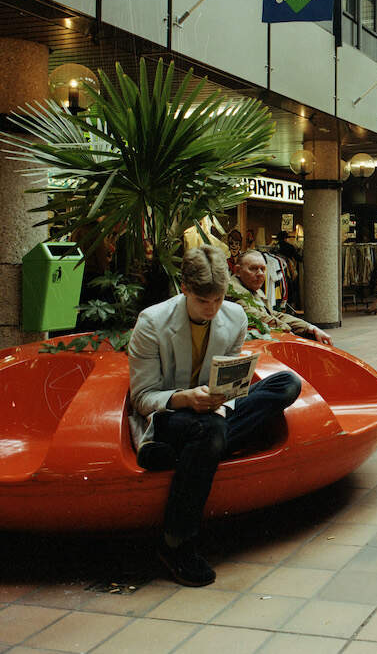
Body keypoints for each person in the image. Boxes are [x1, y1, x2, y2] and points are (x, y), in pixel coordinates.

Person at [128, 246, 301, 587]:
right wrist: (186, 398)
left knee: (286, 385)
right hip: (170, 414)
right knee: (208, 432)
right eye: (203, 301)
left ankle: (186, 451)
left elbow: (229, 378)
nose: (211, 311)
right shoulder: (152, 323)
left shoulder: (234, 316)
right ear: (185, 289)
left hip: (215, 413)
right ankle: (176, 542)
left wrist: (222, 400)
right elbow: (143, 399)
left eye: (218, 300)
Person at [228, 251, 332, 344]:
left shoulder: (251, 287)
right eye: (253, 269)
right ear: (237, 270)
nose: (260, 274)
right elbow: (258, 317)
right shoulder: (233, 290)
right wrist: (287, 330)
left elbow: (273, 314)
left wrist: (309, 327)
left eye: (263, 269)